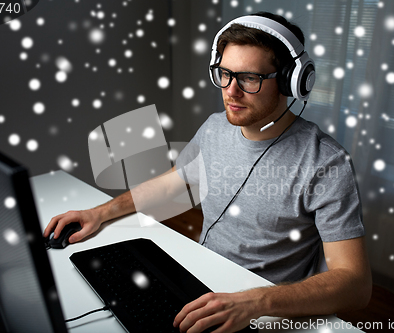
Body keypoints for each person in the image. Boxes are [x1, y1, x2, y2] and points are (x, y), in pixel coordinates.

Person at [44, 12, 372, 333]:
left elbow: (355, 284)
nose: (231, 91)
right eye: (224, 73)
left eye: (249, 78)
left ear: (290, 82)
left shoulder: (326, 163)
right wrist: (99, 213)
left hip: (260, 311)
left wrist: (256, 302)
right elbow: (178, 181)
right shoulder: (216, 127)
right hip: (198, 282)